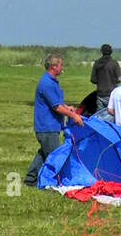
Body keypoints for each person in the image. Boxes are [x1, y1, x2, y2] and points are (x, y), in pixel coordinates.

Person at [24, 53, 83, 187]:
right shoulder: (46, 83)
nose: (62, 67)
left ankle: (30, 180)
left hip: (52, 126)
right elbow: (56, 107)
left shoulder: (51, 82)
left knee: (43, 155)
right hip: (47, 127)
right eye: (61, 64)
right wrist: (73, 115)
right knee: (55, 156)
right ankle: (55, 182)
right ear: (54, 66)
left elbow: (58, 103)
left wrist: (67, 107)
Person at [91, 43, 121, 112]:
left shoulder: (97, 63)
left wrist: (100, 80)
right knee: (112, 116)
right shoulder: (114, 63)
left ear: (101, 51)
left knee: (100, 116)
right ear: (111, 52)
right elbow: (118, 79)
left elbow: (93, 80)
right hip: (111, 93)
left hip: (100, 94)